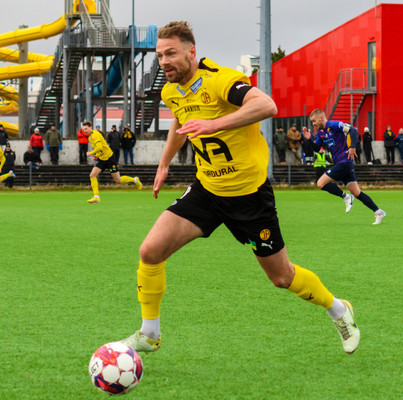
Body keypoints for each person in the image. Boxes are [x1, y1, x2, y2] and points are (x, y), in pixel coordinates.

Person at [119, 21, 360, 356]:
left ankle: (338, 309)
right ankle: (149, 334)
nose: (164, 62)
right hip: (207, 191)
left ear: (191, 51)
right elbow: (179, 121)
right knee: (150, 251)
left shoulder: (220, 79)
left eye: (171, 53)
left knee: (282, 277)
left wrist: (213, 124)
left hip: (249, 196)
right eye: (160, 55)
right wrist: (164, 164)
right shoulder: (170, 91)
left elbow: (267, 106)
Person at [308, 109, 386, 224]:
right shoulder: (320, 132)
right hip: (340, 164)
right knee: (357, 193)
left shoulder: (334, 125)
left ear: (321, 118)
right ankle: (379, 212)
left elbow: (352, 130)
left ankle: (346, 197)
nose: (313, 124)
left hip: (344, 162)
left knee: (320, 183)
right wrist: (308, 140)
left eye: (314, 121)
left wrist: (352, 147)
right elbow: (317, 148)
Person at [83, 121, 142, 203]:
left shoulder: (95, 135)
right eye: (83, 129)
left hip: (110, 159)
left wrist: (90, 153)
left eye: (86, 129)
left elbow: (99, 147)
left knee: (118, 180)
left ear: (90, 127)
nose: (84, 131)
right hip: (102, 160)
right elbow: (101, 148)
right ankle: (96, 196)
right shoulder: (90, 137)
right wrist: (97, 155)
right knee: (92, 175)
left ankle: (135, 180)